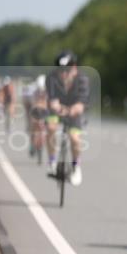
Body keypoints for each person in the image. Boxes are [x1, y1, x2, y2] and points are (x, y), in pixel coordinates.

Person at [46, 51, 90, 186]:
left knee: (75, 138)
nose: (64, 73)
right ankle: (52, 161)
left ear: (74, 68)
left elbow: (81, 105)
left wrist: (70, 110)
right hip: (57, 110)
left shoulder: (82, 80)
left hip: (74, 111)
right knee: (51, 127)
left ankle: (76, 166)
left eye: (67, 70)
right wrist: (58, 108)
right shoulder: (51, 78)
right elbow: (52, 101)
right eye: (61, 70)